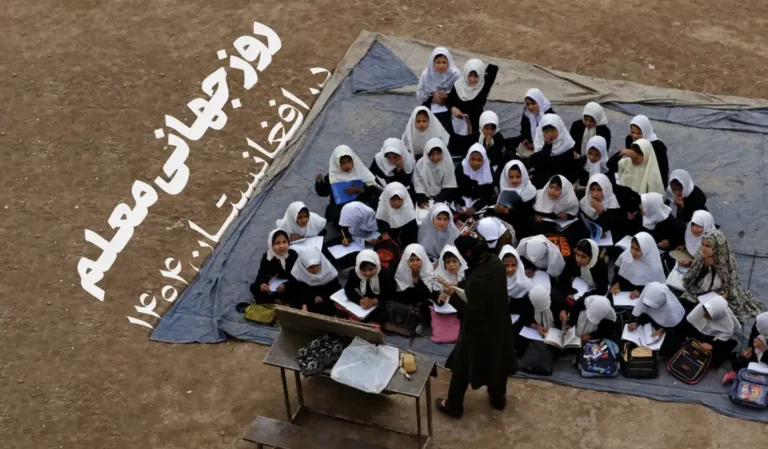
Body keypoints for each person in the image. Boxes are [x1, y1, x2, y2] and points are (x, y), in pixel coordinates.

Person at [435, 235, 518, 418]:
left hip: (478, 332)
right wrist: (461, 286)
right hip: (501, 325)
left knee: (462, 365)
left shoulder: (477, 280)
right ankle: (497, 399)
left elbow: (473, 313)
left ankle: (454, 406)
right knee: (499, 361)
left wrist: (452, 296)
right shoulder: (495, 262)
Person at [681, 229, 766, 322]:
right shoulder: (701, 255)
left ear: (717, 247)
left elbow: (731, 283)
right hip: (700, 289)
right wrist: (705, 265)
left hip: (718, 291)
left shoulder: (726, 261)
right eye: (703, 244)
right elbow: (689, 278)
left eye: (708, 246)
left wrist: (723, 297)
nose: (704, 248)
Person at [446, 59, 500, 154]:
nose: (473, 79)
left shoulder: (483, 87)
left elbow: (493, 69)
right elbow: (449, 101)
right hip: (458, 124)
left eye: (476, 76)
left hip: (475, 125)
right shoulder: (458, 86)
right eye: (470, 75)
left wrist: (483, 69)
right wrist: (453, 108)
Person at [314, 145, 379, 223]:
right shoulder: (332, 177)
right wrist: (320, 183)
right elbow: (323, 193)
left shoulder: (361, 173)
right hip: (340, 208)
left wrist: (361, 190)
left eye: (349, 161)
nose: (347, 165)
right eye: (343, 163)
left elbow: (374, 191)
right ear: (337, 163)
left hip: (360, 204)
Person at [627, 282, 686, 356]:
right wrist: (636, 322)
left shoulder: (675, 307)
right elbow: (645, 313)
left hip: (669, 330)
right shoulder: (647, 298)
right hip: (649, 329)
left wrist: (662, 329)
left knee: (665, 349)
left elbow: (675, 325)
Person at [682, 295, 740, 368]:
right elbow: (689, 324)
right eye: (705, 311)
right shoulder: (702, 307)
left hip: (712, 339)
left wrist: (711, 346)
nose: (703, 315)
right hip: (697, 335)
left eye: (708, 314)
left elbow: (720, 341)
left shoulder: (727, 325)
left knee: (712, 361)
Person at [394, 244, 438, 331]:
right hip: (406, 305)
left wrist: (416, 279)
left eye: (418, 259)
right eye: (411, 260)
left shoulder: (428, 271)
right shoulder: (400, 272)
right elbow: (399, 292)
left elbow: (427, 294)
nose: (415, 263)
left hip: (421, 304)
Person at [416, 47, 461, 133]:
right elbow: (420, 93)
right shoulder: (426, 74)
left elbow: (460, 94)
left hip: (450, 105)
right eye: (438, 62)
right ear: (433, 63)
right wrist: (432, 99)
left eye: (444, 62)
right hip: (431, 104)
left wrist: (447, 96)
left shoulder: (455, 74)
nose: (441, 65)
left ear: (448, 62)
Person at [250, 230, 299, 305]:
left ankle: (282, 302)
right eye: (277, 243)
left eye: (284, 242)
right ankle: (275, 302)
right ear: (271, 244)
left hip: (289, 283)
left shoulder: (293, 255)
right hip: (275, 284)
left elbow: (297, 276)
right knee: (254, 287)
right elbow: (262, 273)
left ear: (288, 242)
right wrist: (262, 284)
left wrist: (285, 286)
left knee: (299, 288)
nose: (282, 246)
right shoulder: (268, 257)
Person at [610, 232, 665, 298]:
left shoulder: (655, 267)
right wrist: (617, 283)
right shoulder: (626, 257)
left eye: (637, 249)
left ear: (646, 250)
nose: (632, 252)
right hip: (621, 292)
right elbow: (618, 271)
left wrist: (640, 291)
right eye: (632, 247)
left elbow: (655, 288)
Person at [344, 250, 393, 323]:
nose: (367, 273)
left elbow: (390, 293)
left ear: (376, 265)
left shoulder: (385, 274)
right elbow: (348, 288)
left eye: (371, 269)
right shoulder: (354, 273)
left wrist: (374, 301)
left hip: (380, 302)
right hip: (363, 303)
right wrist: (359, 300)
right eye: (363, 270)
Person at [288, 247, 340, 315]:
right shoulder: (297, 274)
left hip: (326, 296)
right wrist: (304, 303)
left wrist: (322, 296)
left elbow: (334, 287)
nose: (315, 270)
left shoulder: (329, 270)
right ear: (303, 266)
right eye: (311, 267)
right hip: (307, 297)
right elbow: (298, 291)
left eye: (317, 265)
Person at [530, 114, 578, 187]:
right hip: (543, 183)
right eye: (546, 132)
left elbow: (569, 168)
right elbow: (540, 164)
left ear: (559, 129)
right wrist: (547, 147)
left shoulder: (567, 144)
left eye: (553, 131)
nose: (550, 135)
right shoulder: (539, 144)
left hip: (562, 182)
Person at [492, 160, 537, 239]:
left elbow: (527, 214)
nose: (515, 180)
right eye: (511, 177)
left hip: (523, 229)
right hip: (506, 226)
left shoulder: (530, 191)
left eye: (518, 177)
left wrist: (507, 211)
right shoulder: (504, 188)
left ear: (523, 175)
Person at [328, 201, 380, 269]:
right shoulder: (349, 215)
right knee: (328, 246)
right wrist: (345, 238)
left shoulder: (378, 219)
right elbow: (343, 228)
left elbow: (386, 236)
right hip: (354, 240)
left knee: (355, 258)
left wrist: (378, 242)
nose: (350, 225)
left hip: (370, 245)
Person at [622, 115, 670, 187]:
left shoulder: (658, 147)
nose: (635, 136)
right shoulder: (629, 140)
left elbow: (663, 172)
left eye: (639, 133)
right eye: (632, 132)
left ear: (645, 131)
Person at [412, 138, 458, 208]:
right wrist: (421, 199)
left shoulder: (447, 163)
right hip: (426, 198)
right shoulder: (421, 164)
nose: (435, 157)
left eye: (438, 153)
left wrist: (439, 199)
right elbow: (418, 184)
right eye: (432, 154)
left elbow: (449, 184)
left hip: (444, 196)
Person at [724, 312, 768, 384]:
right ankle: (745, 375)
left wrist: (763, 349)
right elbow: (754, 333)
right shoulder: (762, 320)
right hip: (760, 354)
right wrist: (751, 347)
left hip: (766, 358)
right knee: (738, 362)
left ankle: (742, 375)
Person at [454, 144, 495, 218]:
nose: (475, 163)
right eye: (473, 159)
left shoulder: (488, 171)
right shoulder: (461, 168)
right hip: (462, 199)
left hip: (480, 202)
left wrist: (475, 208)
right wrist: (459, 206)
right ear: (468, 158)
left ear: (484, 160)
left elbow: (488, 195)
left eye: (479, 160)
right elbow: (455, 191)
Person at [512, 88, 555, 157]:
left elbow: (552, 139)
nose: (530, 107)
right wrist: (526, 139)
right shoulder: (527, 113)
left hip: (549, 148)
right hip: (532, 145)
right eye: (528, 104)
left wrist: (535, 145)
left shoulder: (549, 115)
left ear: (539, 101)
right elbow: (525, 131)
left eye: (533, 103)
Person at [376, 182, 418, 249]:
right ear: (387, 198)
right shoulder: (381, 213)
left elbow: (412, 238)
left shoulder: (410, 216)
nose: (397, 203)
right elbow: (379, 228)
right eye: (393, 199)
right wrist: (383, 233)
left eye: (399, 199)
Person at [499, 245, 534, 315]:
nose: (510, 269)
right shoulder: (494, 282)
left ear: (518, 264)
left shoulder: (525, 285)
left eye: (513, 265)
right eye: (506, 265)